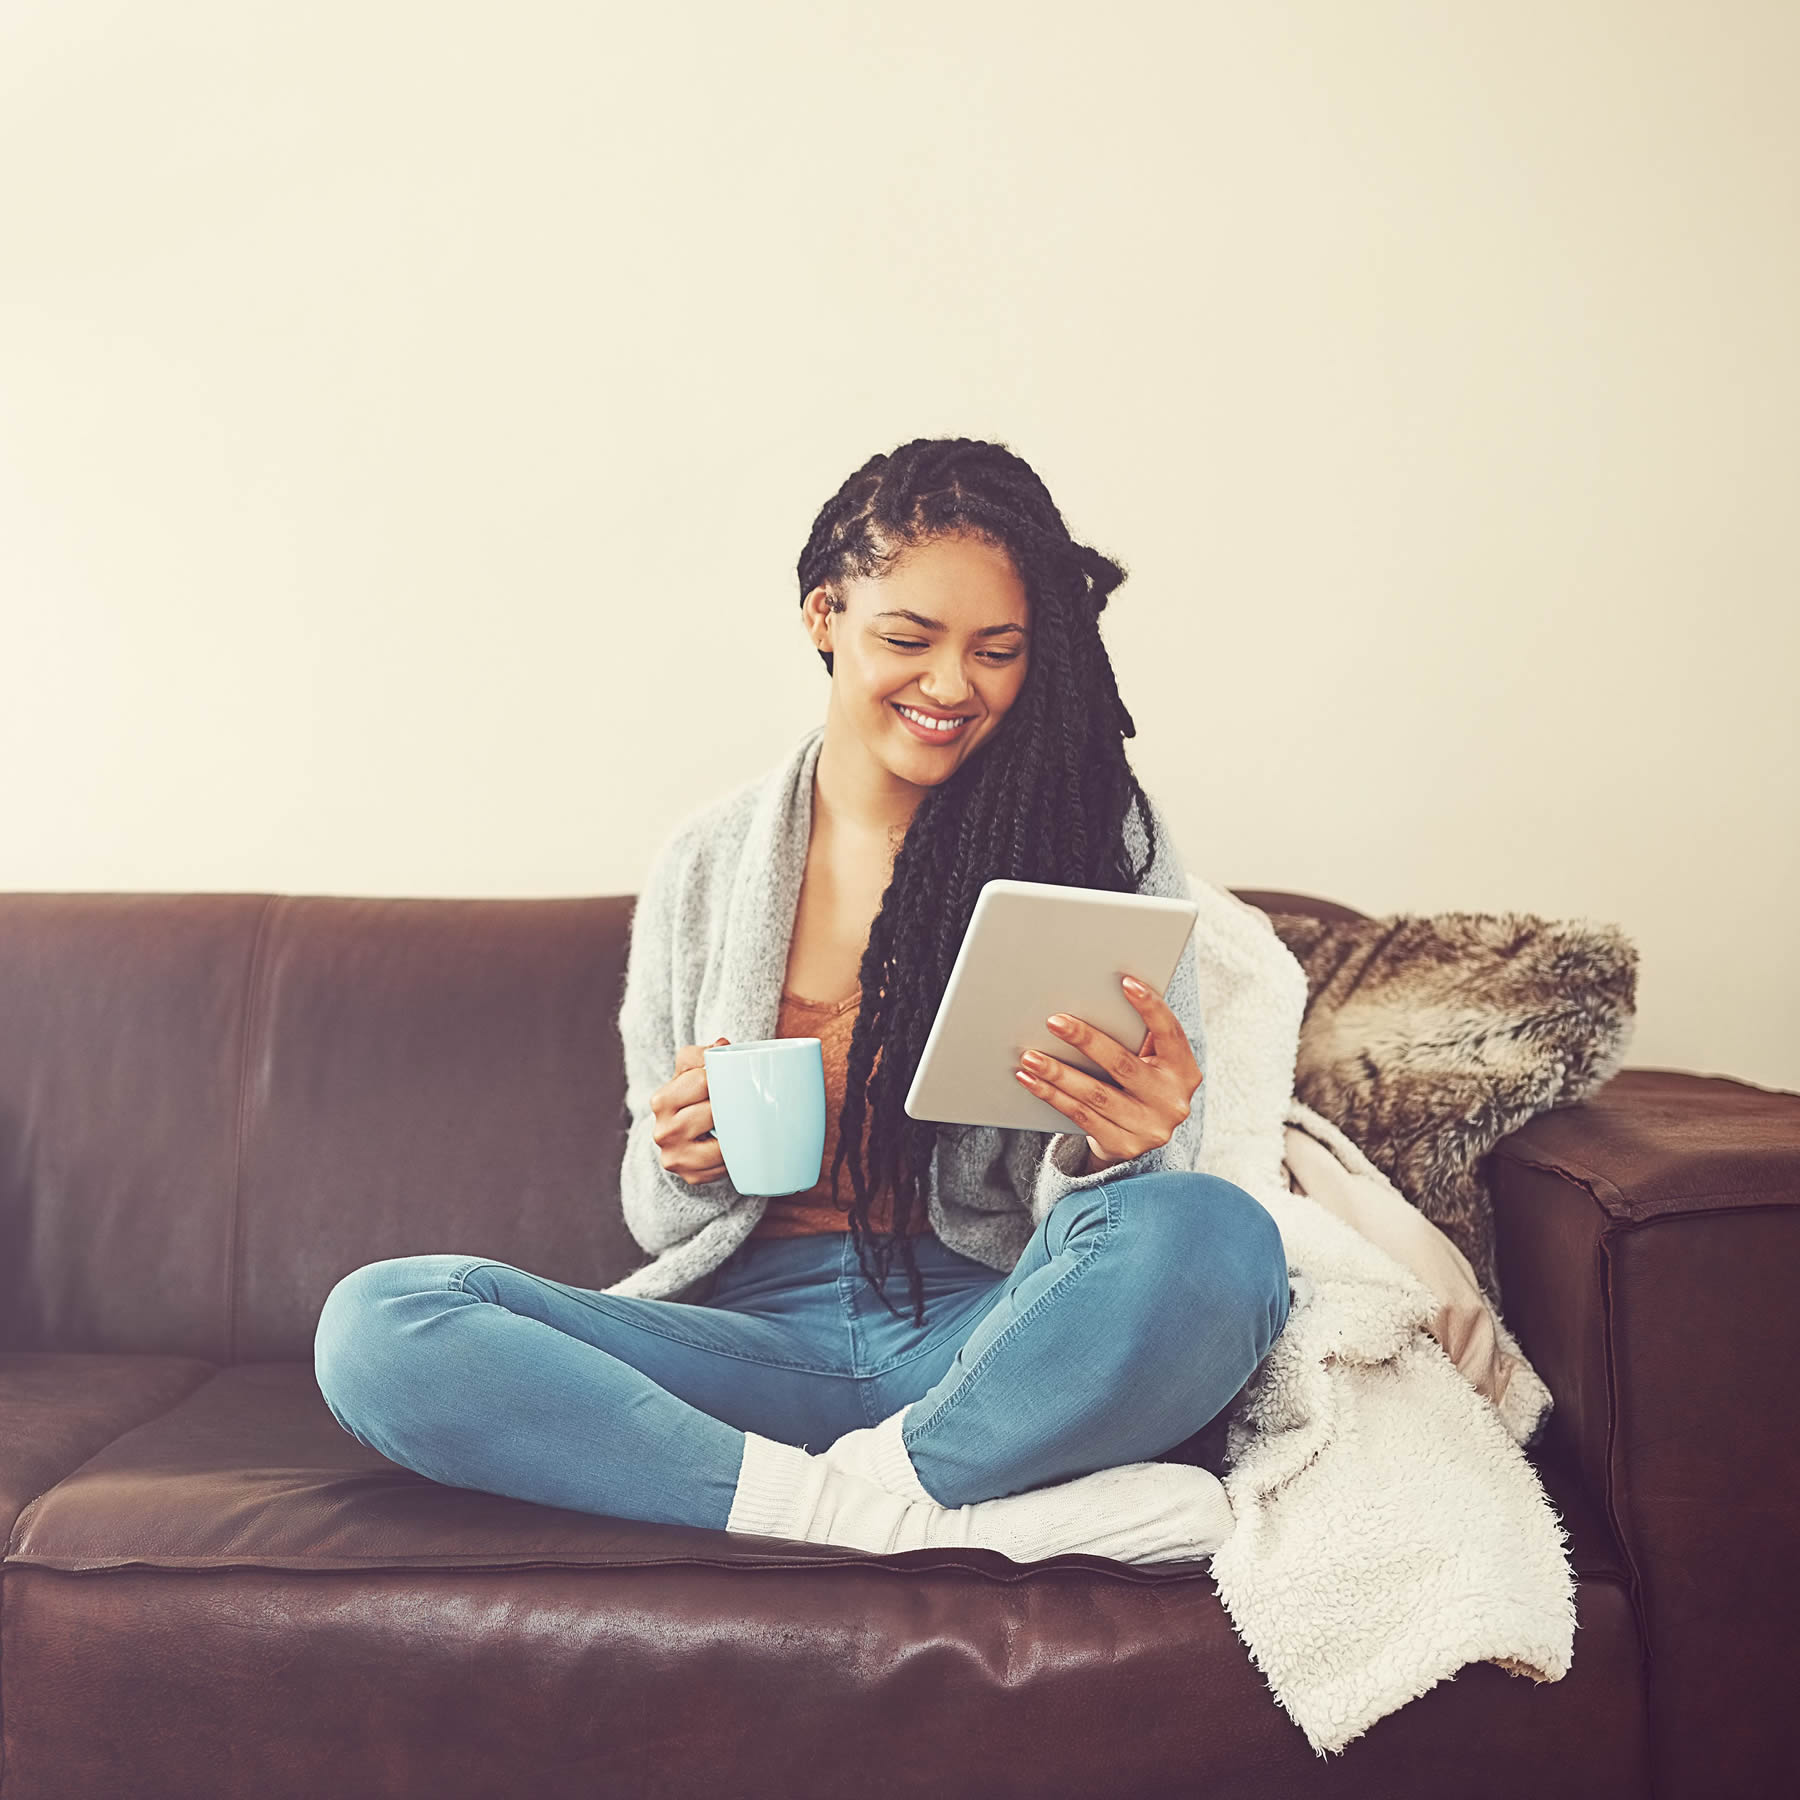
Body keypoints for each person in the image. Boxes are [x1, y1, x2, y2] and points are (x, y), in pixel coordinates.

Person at [314, 436, 1291, 1566]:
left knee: (1218, 1239)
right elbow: (659, 1211)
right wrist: (683, 1159)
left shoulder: (1099, 838)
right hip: (739, 1348)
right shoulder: (709, 861)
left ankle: (859, 1484)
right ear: (825, 615)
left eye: (998, 650)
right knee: (382, 1325)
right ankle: (885, 1514)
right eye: (907, 638)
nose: (949, 685)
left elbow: (1131, 1226)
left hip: (993, 1334)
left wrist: (1120, 1153)